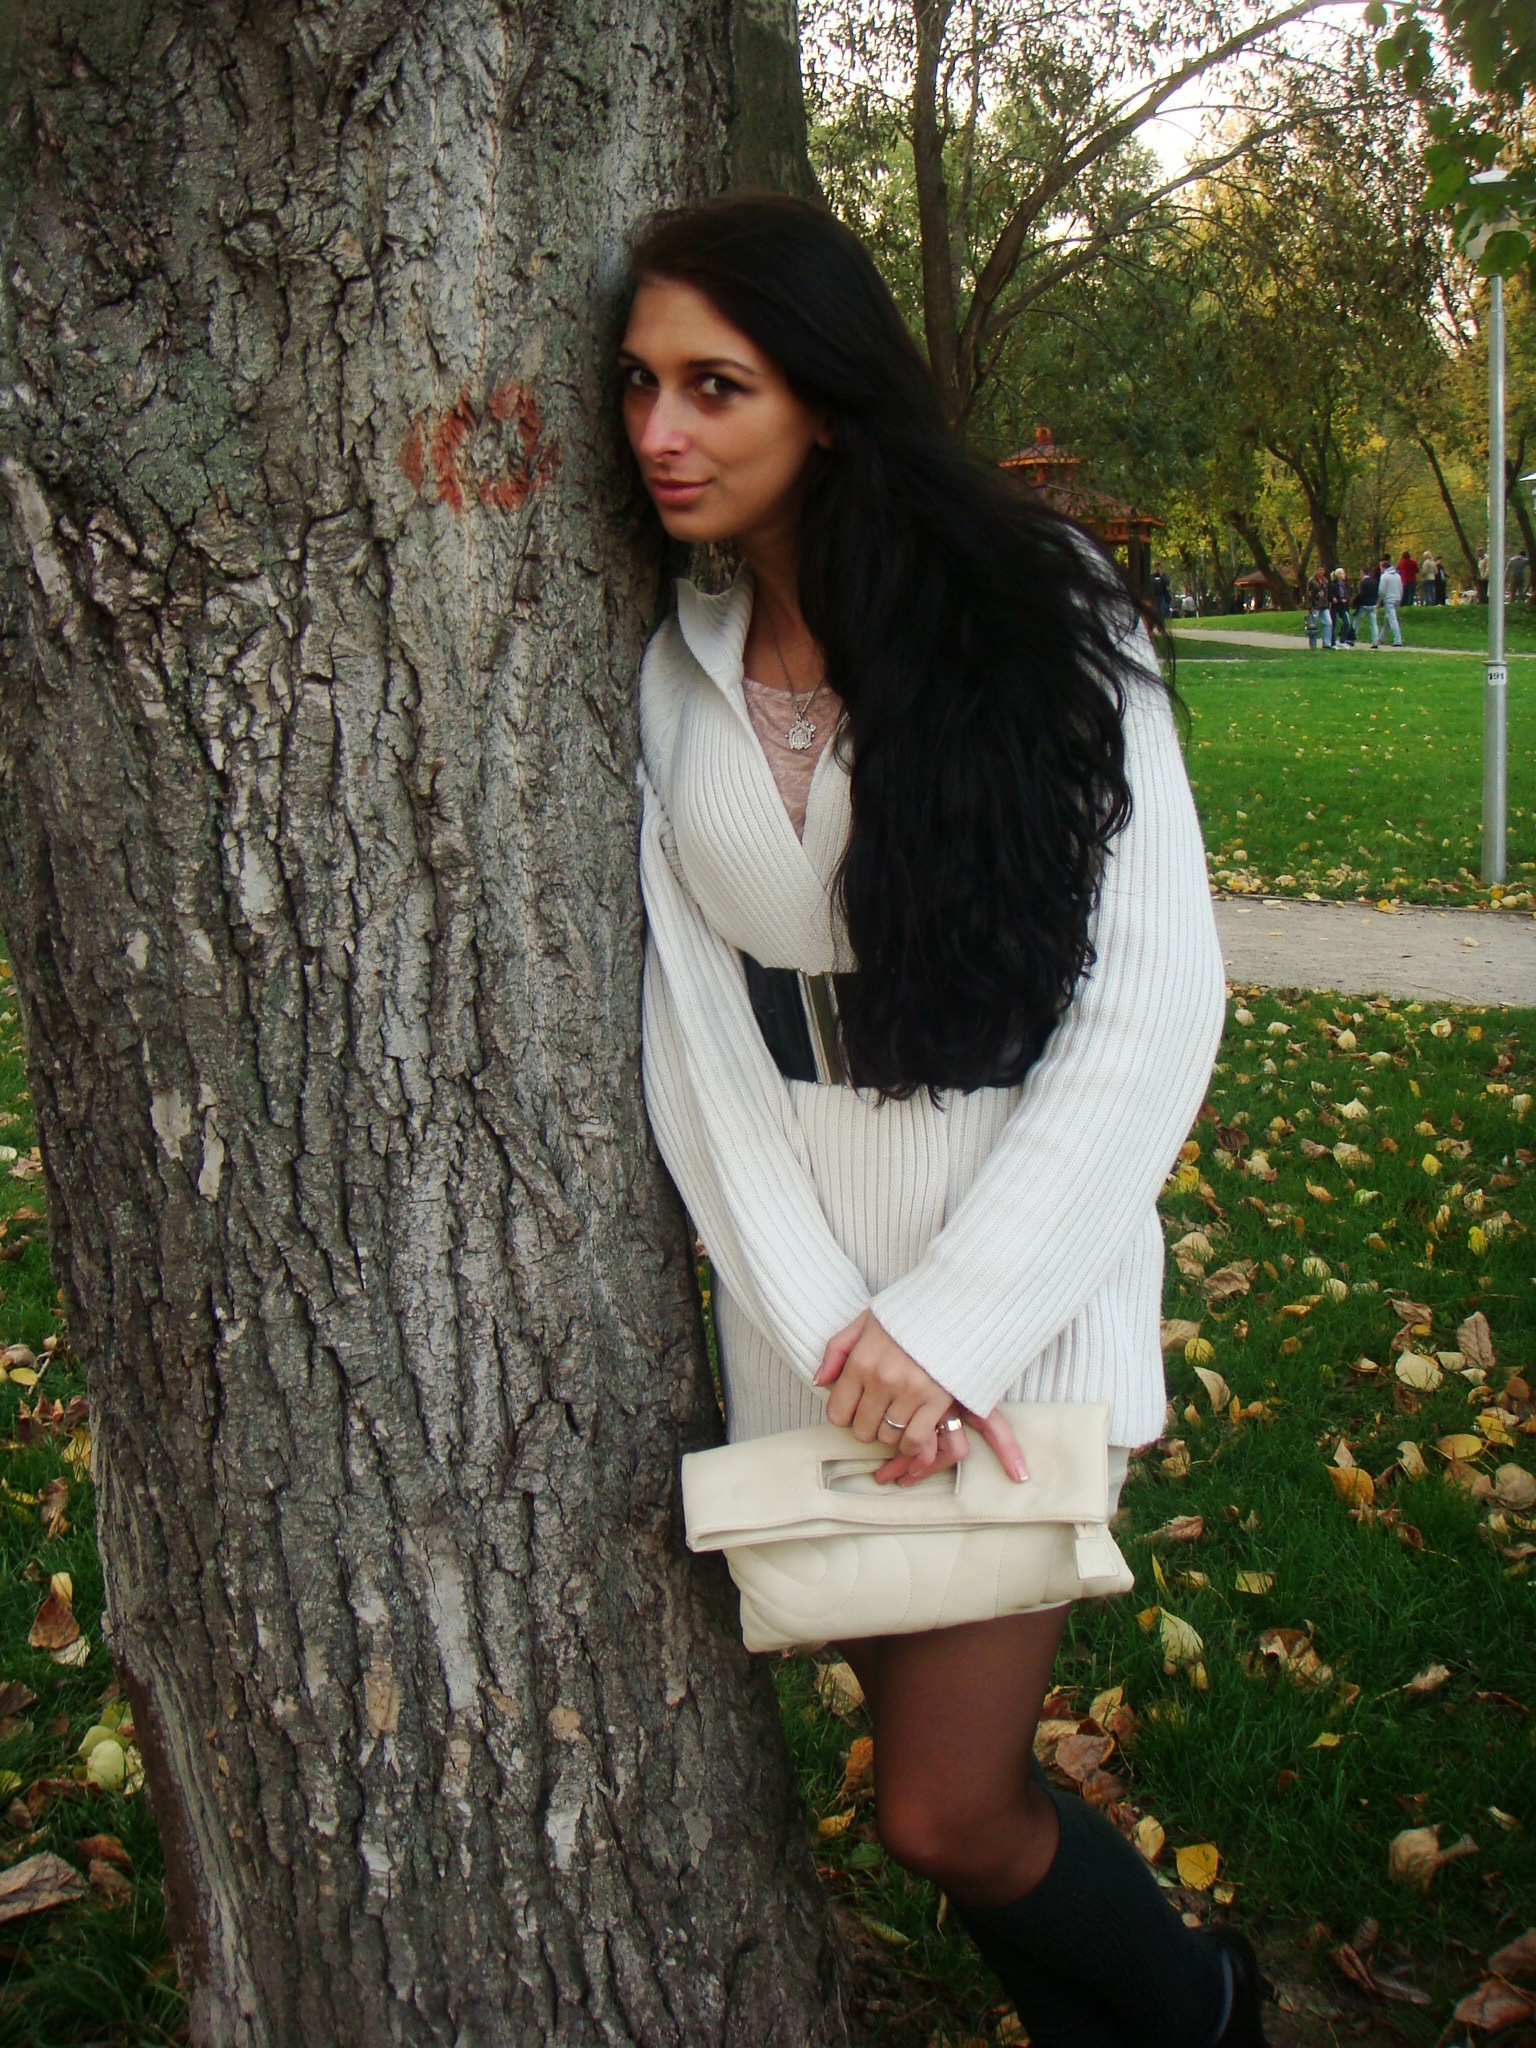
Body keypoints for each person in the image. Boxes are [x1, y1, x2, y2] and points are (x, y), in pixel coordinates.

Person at [620, 194, 1261, 2048]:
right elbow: (695, 1033)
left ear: (826, 396)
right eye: (642, 384)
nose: (660, 430)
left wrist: (953, 1329)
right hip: (811, 1296)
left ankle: (1211, 2010)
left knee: (941, 1806)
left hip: (1016, 1258)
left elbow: (1154, 999)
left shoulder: (1041, 611)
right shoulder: (674, 658)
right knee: (938, 1788)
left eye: (715, 385)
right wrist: (836, 1330)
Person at [1378, 556, 1404, 646]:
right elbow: (1401, 588)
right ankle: (1380, 638)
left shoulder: (1384, 576)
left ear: (1384, 567)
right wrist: (1399, 597)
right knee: (1388, 620)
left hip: (1389, 600)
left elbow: (1381, 591)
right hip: (1397, 599)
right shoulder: (1398, 576)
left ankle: (1398, 640)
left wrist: (1379, 601)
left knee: (1392, 619)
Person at [1354, 563, 1380, 646]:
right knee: (1374, 624)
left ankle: (1352, 639)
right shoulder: (1374, 581)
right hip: (1373, 604)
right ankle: (1375, 642)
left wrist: (1355, 602)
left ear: (1363, 572)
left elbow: (1361, 594)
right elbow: (1377, 592)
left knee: (1357, 622)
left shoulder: (1362, 582)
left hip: (1364, 604)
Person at [1306, 568, 1332, 648]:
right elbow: (1308, 594)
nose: (1321, 572)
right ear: (1316, 570)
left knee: (1328, 623)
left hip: (1324, 605)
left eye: (1323, 570)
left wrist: (1328, 602)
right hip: (1315, 605)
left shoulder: (1325, 581)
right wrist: (1309, 606)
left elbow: (1326, 593)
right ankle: (1313, 645)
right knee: (1313, 625)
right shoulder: (1312, 581)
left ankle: (1326, 643)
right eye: (1320, 570)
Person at [1330, 567, 1355, 646]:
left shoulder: (1344, 584)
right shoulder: (1333, 585)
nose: (1344, 575)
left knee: (1347, 623)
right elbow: (1332, 596)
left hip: (1344, 607)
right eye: (1342, 573)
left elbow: (1347, 594)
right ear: (1338, 575)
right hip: (1336, 607)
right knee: (1334, 624)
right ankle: (1332, 642)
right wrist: (1336, 599)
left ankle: (1343, 640)